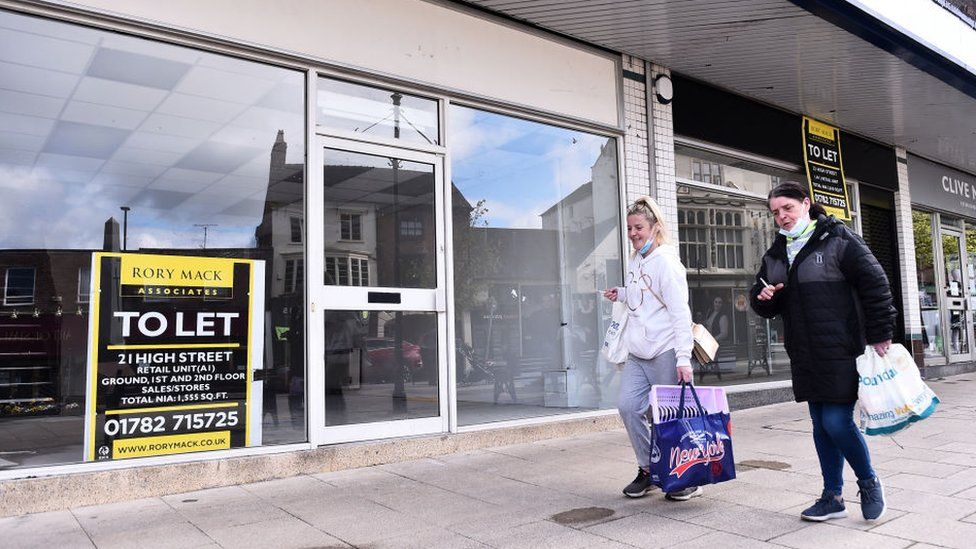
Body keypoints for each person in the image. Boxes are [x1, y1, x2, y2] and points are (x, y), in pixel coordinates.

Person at [750, 181, 895, 522]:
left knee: (836, 421)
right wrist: (764, 298)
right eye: (775, 212)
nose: (782, 217)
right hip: (804, 350)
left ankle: (868, 481)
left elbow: (875, 284)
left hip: (841, 346)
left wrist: (881, 332)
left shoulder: (839, 240)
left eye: (787, 208)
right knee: (819, 424)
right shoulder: (776, 253)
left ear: (806, 203)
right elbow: (762, 298)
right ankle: (833, 496)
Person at [602, 196, 699, 501]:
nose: (633, 233)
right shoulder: (636, 259)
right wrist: (620, 293)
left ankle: (684, 476)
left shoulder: (667, 263)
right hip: (638, 353)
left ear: (655, 228)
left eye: (639, 227)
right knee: (628, 408)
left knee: (670, 417)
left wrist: (683, 358)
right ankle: (649, 470)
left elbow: (680, 313)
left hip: (665, 351)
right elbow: (639, 293)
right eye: (629, 228)